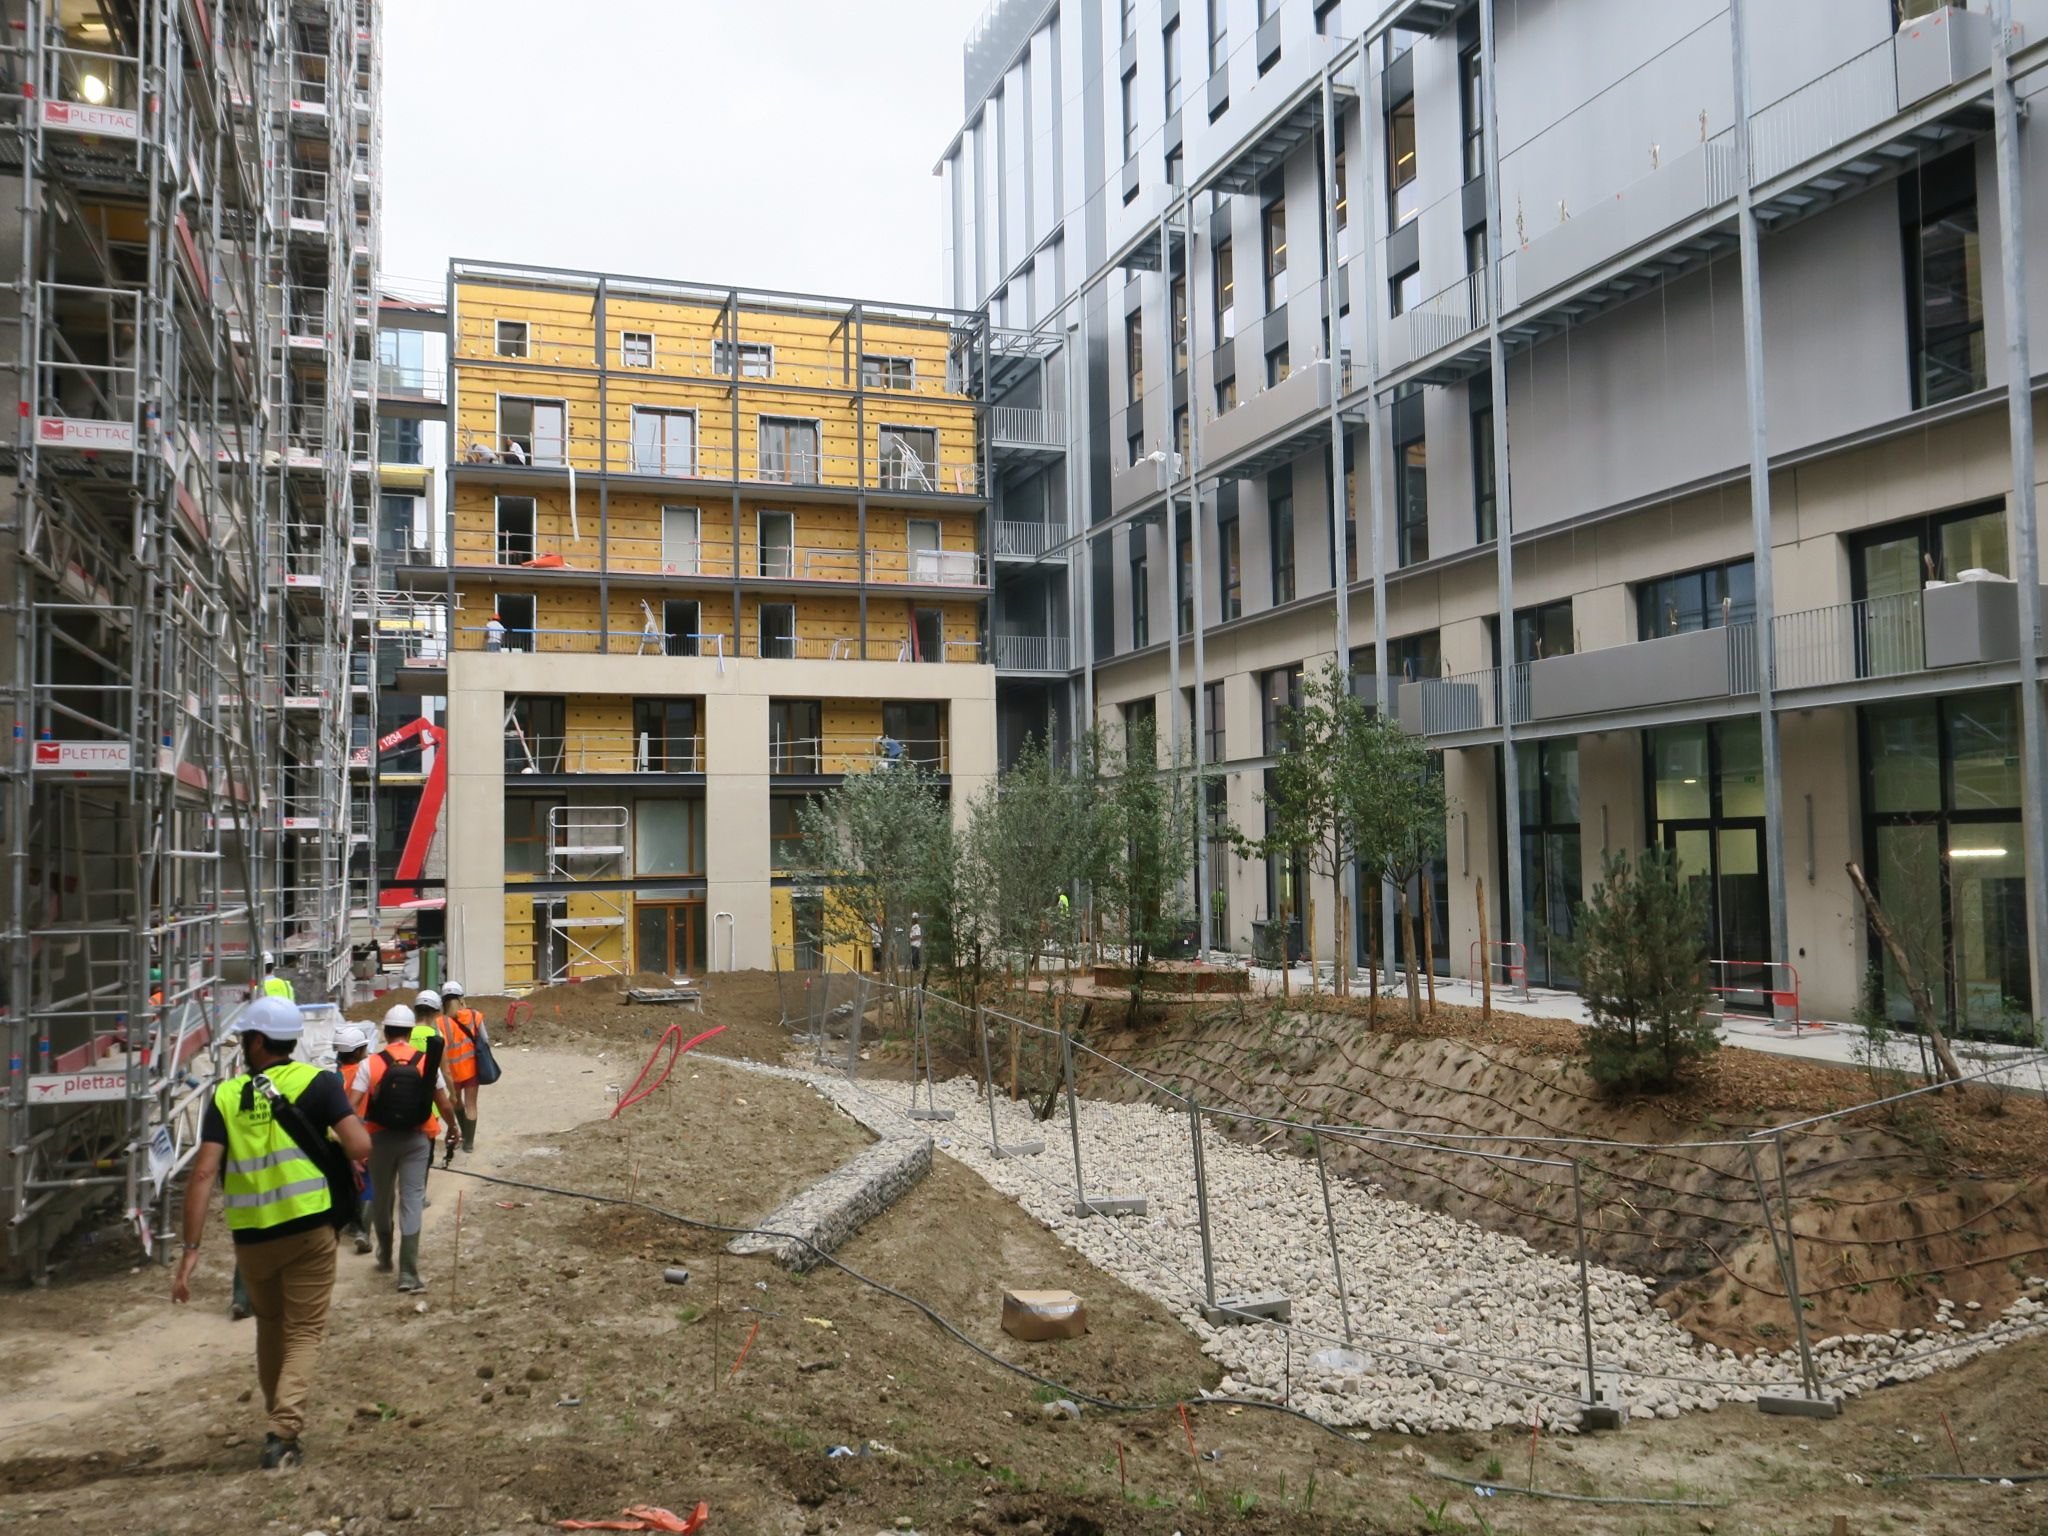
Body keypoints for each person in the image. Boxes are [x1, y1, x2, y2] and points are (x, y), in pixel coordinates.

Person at [173, 995, 369, 1469]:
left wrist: (191, 1250)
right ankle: (282, 1432)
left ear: (258, 1042)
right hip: (308, 1229)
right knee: (304, 1332)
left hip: (252, 1239)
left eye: (243, 1039)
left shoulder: (225, 1097)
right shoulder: (319, 1084)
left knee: (271, 1327)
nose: (242, 1046)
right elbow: (360, 1144)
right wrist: (330, 1144)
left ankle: (277, 1417)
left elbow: (203, 1175)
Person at [348, 1004, 456, 1292]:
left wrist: (348, 1141)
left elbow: (352, 1105)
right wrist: (453, 1128)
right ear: (409, 1032)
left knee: (383, 1199)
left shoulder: (369, 1064)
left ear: (385, 1031)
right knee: (411, 1199)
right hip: (416, 1139)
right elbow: (444, 1103)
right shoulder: (425, 1062)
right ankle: (408, 1272)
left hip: (379, 1139)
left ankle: (384, 1255)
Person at [330, 1024, 375, 1255]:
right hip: (365, 1132)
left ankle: (347, 1223)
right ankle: (362, 1230)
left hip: (339, 1135)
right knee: (368, 1180)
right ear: (358, 1052)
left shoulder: (334, 1078)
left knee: (347, 1179)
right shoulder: (368, 1071)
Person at [439, 982, 489, 1161]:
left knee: (456, 1102)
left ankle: (463, 1133)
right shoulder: (475, 1015)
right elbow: (485, 1039)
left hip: (451, 1073)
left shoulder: (440, 1022)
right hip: (471, 1070)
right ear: (461, 998)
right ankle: (469, 1142)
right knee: (471, 1105)